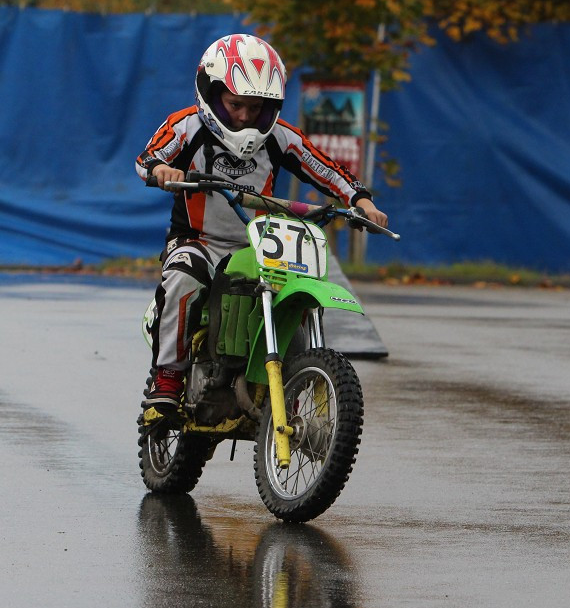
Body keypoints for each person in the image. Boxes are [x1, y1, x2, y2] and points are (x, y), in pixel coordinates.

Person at [135, 33, 388, 412]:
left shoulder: (280, 136)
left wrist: (361, 199)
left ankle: (291, 380)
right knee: (183, 276)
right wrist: (162, 170)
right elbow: (146, 158)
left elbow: (325, 168)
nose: (244, 116)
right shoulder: (187, 126)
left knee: (296, 290)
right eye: (235, 104)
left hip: (259, 245)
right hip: (197, 240)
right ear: (211, 91)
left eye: (256, 108)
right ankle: (168, 375)